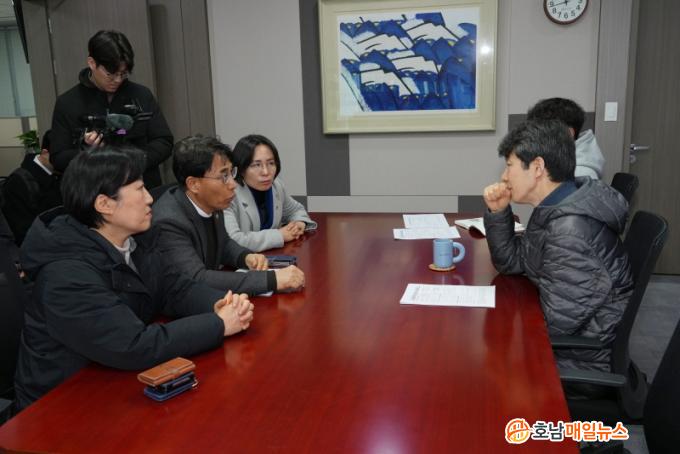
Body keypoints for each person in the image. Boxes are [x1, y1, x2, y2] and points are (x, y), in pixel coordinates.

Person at [14, 146, 253, 410]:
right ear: (104, 204)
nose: (150, 198)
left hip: (113, 381)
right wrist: (218, 324)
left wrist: (220, 302)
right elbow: (133, 345)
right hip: (60, 407)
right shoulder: (66, 275)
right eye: (139, 189)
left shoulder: (137, 239)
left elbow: (173, 288)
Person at [482, 120, 633, 380]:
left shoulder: (569, 230)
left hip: (579, 361)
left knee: (483, 369)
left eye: (509, 165)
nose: (504, 176)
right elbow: (513, 262)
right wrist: (498, 213)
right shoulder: (558, 206)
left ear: (537, 167)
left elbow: (553, 327)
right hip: (569, 345)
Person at [152, 135, 305, 294]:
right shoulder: (169, 222)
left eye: (232, 173)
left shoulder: (211, 202)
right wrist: (271, 280)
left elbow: (223, 243)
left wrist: (245, 257)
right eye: (224, 176)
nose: (233, 184)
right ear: (194, 184)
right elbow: (196, 278)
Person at [49, 30, 172, 188]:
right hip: (95, 192)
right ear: (92, 63)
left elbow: (164, 141)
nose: (118, 80)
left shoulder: (141, 94)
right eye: (110, 74)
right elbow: (58, 158)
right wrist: (86, 152)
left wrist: (134, 161)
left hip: (142, 187)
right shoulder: (68, 103)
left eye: (123, 74)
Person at [224, 134, 317, 252]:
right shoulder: (228, 195)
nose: (266, 172)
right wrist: (279, 235)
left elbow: (295, 210)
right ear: (241, 169)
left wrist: (299, 223)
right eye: (256, 165)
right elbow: (233, 240)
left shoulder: (276, 186)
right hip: (242, 261)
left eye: (271, 163)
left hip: (273, 256)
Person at [1, 131, 62, 245]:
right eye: (60, 156)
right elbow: (22, 233)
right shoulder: (19, 182)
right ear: (45, 153)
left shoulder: (60, 174)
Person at [527, 97, 605, 179]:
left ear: (568, 133)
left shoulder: (580, 175)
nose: (536, 137)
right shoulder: (559, 155)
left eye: (542, 131)